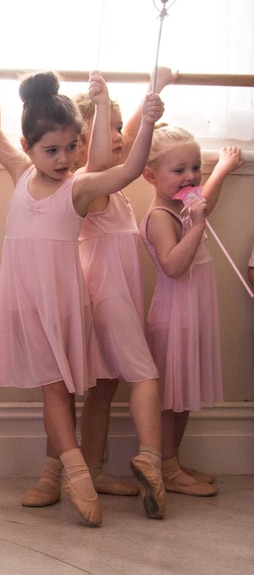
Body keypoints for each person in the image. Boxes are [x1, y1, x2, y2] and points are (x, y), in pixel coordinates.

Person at [0, 59, 163, 526]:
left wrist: (148, 123)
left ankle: (72, 473)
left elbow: (130, 168)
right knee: (52, 391)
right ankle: (71, 472)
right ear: (27, 148)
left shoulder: (79, 188)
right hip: (26, 304)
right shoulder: (18, 173)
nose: (63, 159)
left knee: (60, 391)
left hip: (64, 304)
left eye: (71, 147)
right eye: (51, 150)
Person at [22, 71, 176, 520]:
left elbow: (122, 143)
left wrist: (153, 96)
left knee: (103, 388)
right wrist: (136, 119)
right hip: (109, 297)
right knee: (144, 373)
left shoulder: (105, 182)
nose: (118, 137)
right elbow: (120, 154)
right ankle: (151, 456)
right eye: (107, 133)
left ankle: (91, 465)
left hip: (109, 295)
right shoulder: (90, 181)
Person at [140, 127, 243, 496]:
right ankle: (167, 467)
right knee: (172, 399)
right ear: (150, 175)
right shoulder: (159, 216)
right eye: (179, 170)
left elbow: (205, 201)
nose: (190, 177)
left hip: (193, 311)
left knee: (183, 395)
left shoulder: (183, 204)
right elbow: (172, 265)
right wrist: (197, 223)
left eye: (195, 167)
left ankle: (174, 462)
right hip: (174, 316)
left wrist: (222, 169)